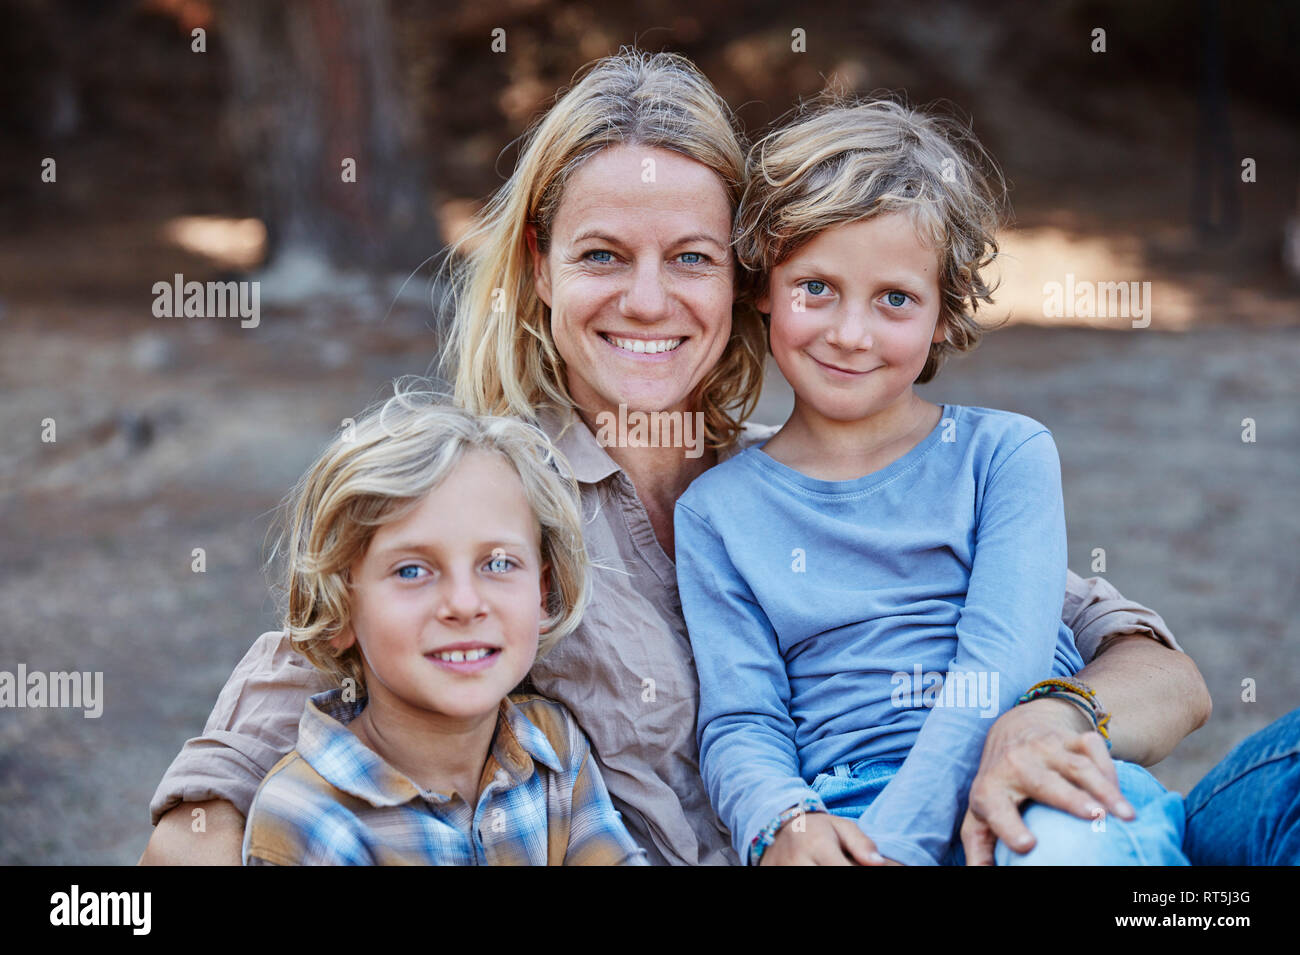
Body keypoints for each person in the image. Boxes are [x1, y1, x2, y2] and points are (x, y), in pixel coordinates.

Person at [141, 48, 1211, 867]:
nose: (648, 302)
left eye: (690, 259)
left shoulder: (817, 472)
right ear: (539, 268)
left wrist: (1050, 715)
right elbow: (213, 791)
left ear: (743, 278)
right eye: (603, 256)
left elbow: (1162, 673)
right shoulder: (475, 503)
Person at [676, 99, 1188, 866]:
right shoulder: (716, 511)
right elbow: (741, 719)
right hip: (844, 806)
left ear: (944, 313)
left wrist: (898, 847)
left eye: (895, 299)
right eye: (816, 286)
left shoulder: (1003, 454)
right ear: (762, 286)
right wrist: (783, 821)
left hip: (1030, 780)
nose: (851, 333)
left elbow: (1002, 667)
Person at [241, 387, 645, 865]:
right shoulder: (308, 818)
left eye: (497, 564)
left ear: (541, 593)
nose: (464, 604)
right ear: (340, 609)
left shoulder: (554, 748)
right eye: (412, 571)